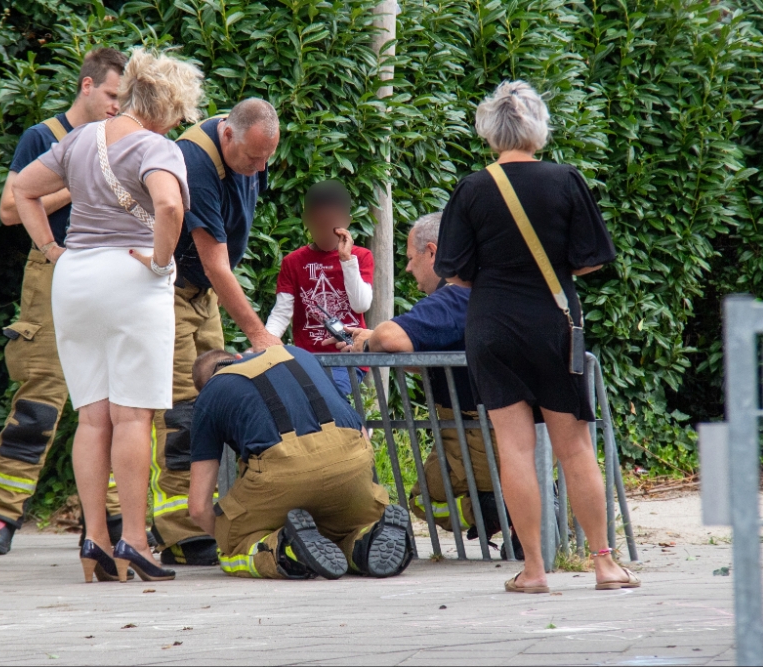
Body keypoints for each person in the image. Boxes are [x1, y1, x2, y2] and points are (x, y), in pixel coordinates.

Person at [434, 80, 639, 592]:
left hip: (491, 325)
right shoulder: (566, 180)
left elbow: (454, 272)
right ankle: (604, 564)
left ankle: (533, 570)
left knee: (515, 449)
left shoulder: (473, 188)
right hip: (552, 322)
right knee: (574, 449)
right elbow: (591, 259)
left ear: (489, 131)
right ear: (538, 127)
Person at [12, 48, 203, 583]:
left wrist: (52, 251)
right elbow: (168, 206)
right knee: (133, 416)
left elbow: (22, 191)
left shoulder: (79, 138)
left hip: (74, 280)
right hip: (130, 279)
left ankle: (94, 539)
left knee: (92, 416)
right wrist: (162, 260)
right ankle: (136, 540)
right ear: (165, 103)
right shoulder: (156, 145)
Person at [0, 47, 129, 556]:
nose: (114, 105)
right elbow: (9, 208)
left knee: (113, 396)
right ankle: (0, 515)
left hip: (108, 271)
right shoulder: (43, 137)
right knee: (39, 398)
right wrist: (75, 179)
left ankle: (108, 520)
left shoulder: (123, 139)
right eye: (109, 94)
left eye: (121, 98)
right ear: (86, 86)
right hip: (52, 268)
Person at [328, 213, 520, 557]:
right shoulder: (499, 291)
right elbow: (448, 360)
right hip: (497, 425)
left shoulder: (456, 296)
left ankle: (507, 512)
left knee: (422, 502)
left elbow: (390, 336)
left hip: (476, 433)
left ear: (432, 252)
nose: (407, 269)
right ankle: (518, 512)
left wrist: (369, 343)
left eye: (410, 259)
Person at [151, 98, 282, 566]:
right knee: (182, 407)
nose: (259, 168)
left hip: (203, 293)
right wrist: (259, 334)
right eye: (251, 158)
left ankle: (213, 512)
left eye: (267, 158)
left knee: (218, 395)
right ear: (228, 134)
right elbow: (215, 261)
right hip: (173, 288)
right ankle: (177, 531)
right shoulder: (194, 162)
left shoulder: (252, 147)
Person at [187, 346, 413, 580]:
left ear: (204, 387)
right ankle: (364, 543)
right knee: (342, 528)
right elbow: (363, 435)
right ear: (239, 357)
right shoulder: (298, 354)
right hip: (352, 460)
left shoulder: (210, 395)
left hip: (283, 472)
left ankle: (286, 550)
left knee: (234, 548)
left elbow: (198, 508)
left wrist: (229, 536)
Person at [265, 180, 373, 396]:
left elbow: (361, 304)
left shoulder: (360, 257)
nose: (325, 232)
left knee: (332, 393)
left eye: (332, 225)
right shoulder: (293, 262)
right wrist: (265, 342)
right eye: (319, 224)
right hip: (308, 359)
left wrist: (346, 260)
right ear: (307, 221)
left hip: (348, 358)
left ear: (347, 223)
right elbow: (281, 313)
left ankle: (351, 428)